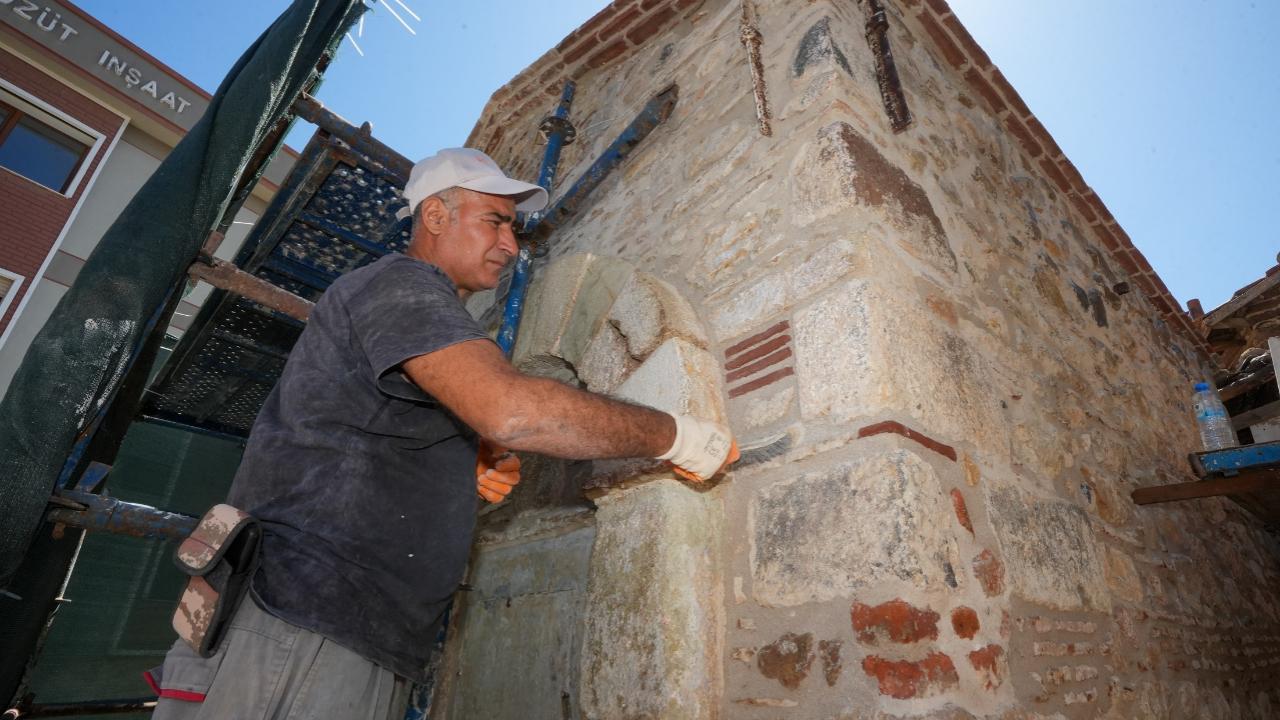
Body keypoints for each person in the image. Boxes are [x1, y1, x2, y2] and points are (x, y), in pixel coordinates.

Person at [150, 148, 736, 719]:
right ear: (435, 215)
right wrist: (680, 436)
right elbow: (511, 412)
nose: (511, 244)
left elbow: (382, 440)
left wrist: (458, 471)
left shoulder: (409, 311)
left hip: (343, 629)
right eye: (496, 221)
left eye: (513, 228)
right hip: (305, 619)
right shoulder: (399, 285)